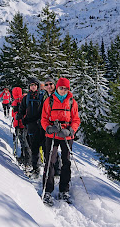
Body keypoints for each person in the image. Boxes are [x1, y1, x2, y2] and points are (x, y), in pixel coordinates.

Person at [41, 78, 80, 206]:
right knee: (50, 162)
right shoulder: (49, 100)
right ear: (57, 88)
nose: (63, 90)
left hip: (66, 136)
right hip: (52, 134)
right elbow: (44, 118)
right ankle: (47, 190)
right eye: (61, 88)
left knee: (66, 162)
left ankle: (64, 190)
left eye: (66, 88)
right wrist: (49, 128)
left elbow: (76, 120)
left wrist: (70, 131)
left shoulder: (71, 101)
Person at [17, 77, 46, 176]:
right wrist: (19, 115)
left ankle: (50, 168)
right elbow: (22, 108)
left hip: (41, 125)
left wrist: (41, 119)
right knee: (33, 147)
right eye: (31, 85)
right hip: (30, 125)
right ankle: (36, 168)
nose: (33, 87)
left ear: (37, 86)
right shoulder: (26, 98)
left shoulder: (42, 97)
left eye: (34, 85)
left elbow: (45, 110)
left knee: (45, 147)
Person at [43, 77, 61, 176]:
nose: (49, 86)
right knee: (49, 150)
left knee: (53, 149)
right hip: (48, 127)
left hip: (58, 126)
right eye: (47, 85)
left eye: (51, 84)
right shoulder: (46, 96)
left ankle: (57, 170)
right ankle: (55, 170)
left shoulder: (57, 95)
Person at [11, 87, 31, 165]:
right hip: (26, 124)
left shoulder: (16, 102)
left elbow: (14, 114)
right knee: (26, 142)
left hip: (19, 124)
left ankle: (26, 160)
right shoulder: (25, 98)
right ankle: (25, 158)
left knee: (24, 142)